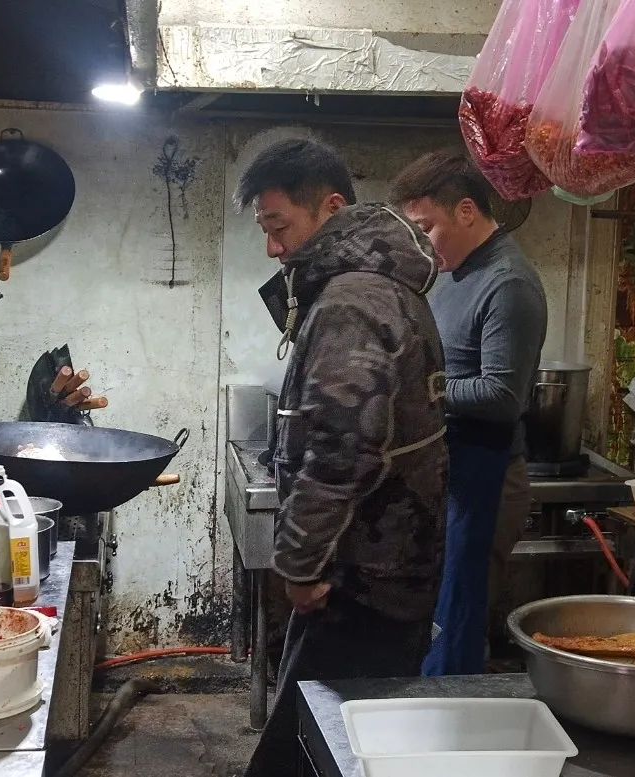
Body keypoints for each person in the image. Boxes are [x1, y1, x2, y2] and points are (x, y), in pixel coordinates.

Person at [238, 138, 449, 776]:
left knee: (320, 750)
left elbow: (340, 448)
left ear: (331, 207)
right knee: (345, 741)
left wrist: (301, 564)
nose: (273, 247)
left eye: (280, 227)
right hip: (382, 563)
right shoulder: (369, 287)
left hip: (363, 575)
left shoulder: (353, 301)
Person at [390, 151, 547, 677]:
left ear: (465, 211)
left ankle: (452, 718)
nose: (422, 244)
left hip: (488, 477)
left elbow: (503, 396)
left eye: (425, 228)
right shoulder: (454, 274)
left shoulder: (508, 283)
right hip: (450, 473)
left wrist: (419, 389)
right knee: (434, 620)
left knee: (457, 619)